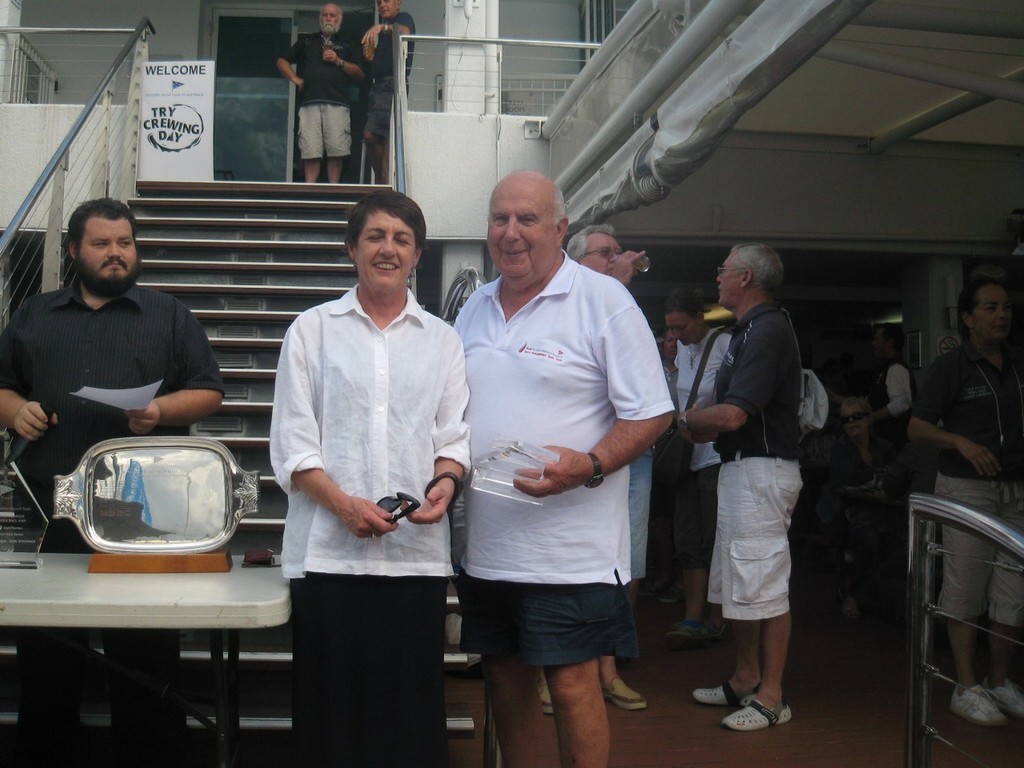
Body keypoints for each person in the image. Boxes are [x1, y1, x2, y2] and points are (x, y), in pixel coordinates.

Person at [454, 171, 673, 767]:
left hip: (571, 549)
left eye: (527, 219)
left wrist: (592, 463)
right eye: (500, 219)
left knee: (574, 686)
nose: (512, 233)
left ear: (560, 228)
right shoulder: (473, 308)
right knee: (505, 680)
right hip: (490, 547)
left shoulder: (604, 301)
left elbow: (653, 414)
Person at [0, 198, 224, 768]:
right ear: (74, 251)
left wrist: (162, 409)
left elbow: (209, 391)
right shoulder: (32, 314)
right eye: (102, 244)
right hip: (50, 517)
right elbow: (2, 387)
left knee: (146, 668)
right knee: (47, 670)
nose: (116, 254)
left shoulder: (168, 314)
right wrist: (13, 411)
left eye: (124, 243)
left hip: (143, 521)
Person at [270, 189, 470, 767]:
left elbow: (452, 438)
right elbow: (293, 445)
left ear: (418, 255)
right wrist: (344, 506)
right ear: (351, 247)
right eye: (376, 236)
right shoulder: (312, 331)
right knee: (329, 712)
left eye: (402, 239)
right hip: (329, 555)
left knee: (409, 713)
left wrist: (446, 484)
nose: (389, 248)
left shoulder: (443, 340)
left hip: (415, 556)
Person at [681, 243, 802, 732]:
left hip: (761, 471)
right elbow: (726, 420)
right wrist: (705, 424)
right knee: (739, 580)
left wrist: (685, 419)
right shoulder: (747, 330)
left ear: (746, 277)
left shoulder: (768, 330)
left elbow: (731, 414)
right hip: (742, 468)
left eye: (723, 271)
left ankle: (772, 697)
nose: (717, 278)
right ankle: (745, 676)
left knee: (765, 582)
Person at [908, 274, 1024, 727]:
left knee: (1014, 592)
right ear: (969, 319)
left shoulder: (1017, 364)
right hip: (966, 491)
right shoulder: (951, 367)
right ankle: (966, 685)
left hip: (1016, 489)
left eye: (1007, 307)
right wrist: (959, 441)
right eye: (991, 308)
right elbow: (917, 428)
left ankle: (1000, 682)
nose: (1002, 315)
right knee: (965, 587)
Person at [563, 222, 654, 711]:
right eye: (604, 252)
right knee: (569, 565)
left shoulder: (622, 305)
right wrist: (616, 281)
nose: (616, 258)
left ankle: (608, 667)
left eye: (619, 251)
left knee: (622, 563)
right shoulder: (570, 303)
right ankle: (553, 671)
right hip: (576, 460)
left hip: (627, 456)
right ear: (576, 260)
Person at [662, 289, 731, 649]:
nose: (676, 336)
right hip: (685, 457)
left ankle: (717, 618)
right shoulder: (682, 352)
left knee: (715, 539)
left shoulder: (724, 345)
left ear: (700, 317)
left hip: (716, 457)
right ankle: (692, 618)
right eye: (670, 329)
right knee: (686, 539)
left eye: (681, 327)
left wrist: (690, 417)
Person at [815, 396, 898, 619]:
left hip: (882, 510)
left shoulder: (885, 446)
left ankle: (890, 597)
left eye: (857, 417)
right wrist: (878, 476)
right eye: (846, 419)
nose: (851, 422)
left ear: (869, 419)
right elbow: (844, 479)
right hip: (848, 513)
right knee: (866, 538)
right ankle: (856, 594)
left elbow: (897, 476)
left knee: (901, 536)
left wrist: (870, 477)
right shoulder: (840, 448)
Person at [276, 3, 364, 183]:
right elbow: (282, 62)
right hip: (309, 104)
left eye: (332, 15)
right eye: (325, 15)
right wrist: (296, 79)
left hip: (338, 104)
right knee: (310, 151)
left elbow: (360, 74)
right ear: (320, 19)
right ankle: (310, 191)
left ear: (339, 19)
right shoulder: (307, 41)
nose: (328, 18)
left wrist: (338, 61)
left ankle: (333, 190)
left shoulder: (346, 43)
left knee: (336, 151)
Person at [361, 0, 415, 182]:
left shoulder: (403, 18)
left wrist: (381, 28)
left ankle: (383, 180)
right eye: (379, 2)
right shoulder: (387, 29)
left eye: (387, 1)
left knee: (383, 136)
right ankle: (382, 177)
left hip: (391, 85)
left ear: (398, 4)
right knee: (373, 136)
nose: (382, 5)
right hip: (378, 87)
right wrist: (372, 56)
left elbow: (405, 32)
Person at [867, 322, 915, 448]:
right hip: (886, 441)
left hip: (894, 442)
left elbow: (902, 403)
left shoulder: (896, 369)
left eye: (877, 339)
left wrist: (871, 418)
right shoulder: (884, 369)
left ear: (889, 342)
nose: (873, 344)